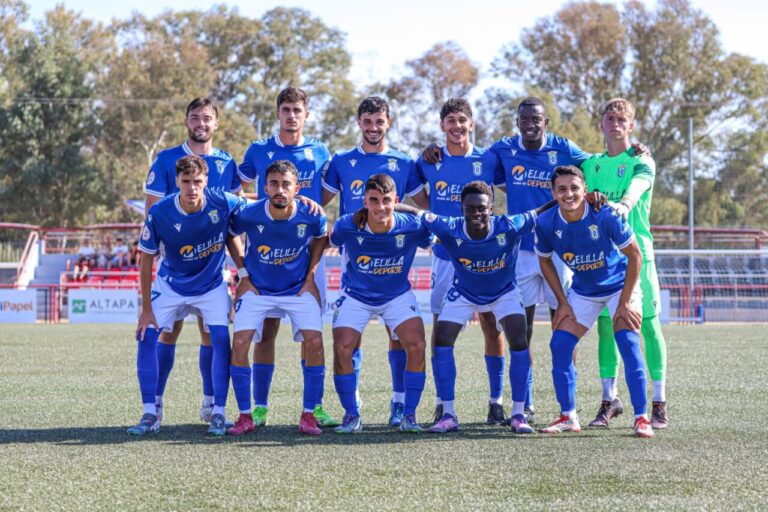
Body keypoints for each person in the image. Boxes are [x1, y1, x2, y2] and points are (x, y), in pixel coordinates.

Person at [393, 181, 556, 434]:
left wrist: (571, 198)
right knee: (442, 339)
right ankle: (447, 413)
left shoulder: (509, 226)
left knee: (519, 339)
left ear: (491, 208)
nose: (476, 213)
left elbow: (540, 211)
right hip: (464, 293)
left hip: (504, 293)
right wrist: (391, 204)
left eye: (481, 208)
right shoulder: (449, 227)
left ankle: (518, 414)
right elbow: (417, 213)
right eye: (470, 209)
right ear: (462, 209)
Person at [322, 96, 428, 427]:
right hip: (356, 266)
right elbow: (317, 200)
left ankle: (401, 407)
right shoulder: (341, 161)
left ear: (388, 123)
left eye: (379, 122)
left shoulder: (405, 162)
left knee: (406, 339)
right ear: (359, 123)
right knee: (345, 344)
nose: (373, 128)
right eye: (367, 122)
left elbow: (425, 206)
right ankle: (352, 410)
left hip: (395, 281)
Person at [237, 87, 337, 428]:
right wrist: (266, 200)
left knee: (310, 333)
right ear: (277, 113)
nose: (291, 115)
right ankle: (260, 406)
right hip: (266, 248)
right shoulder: (259, 149)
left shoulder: (320, 150)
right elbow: (239, 190)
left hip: (305, 250)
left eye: (297, 110)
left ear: (306, 114)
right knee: (265, 331)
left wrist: (310, 204)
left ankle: (315, 406)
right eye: (286, 110)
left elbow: (326, 196)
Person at [127, 155, 245, 436]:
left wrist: (299, 200)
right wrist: (146, 309)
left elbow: (262, 208)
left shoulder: (222, 201)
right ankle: (150, 411)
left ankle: (217, 411)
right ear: (177, 182)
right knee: (147, 335)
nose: (192, 187)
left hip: (211, 285)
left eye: (198, 181)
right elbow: (145, 259)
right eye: (186, 181)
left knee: (219, 338)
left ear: (206, 182)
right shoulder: (161, 212)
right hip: (170, 285)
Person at [142, 97, 242, 425]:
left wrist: (240, 265)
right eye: (195, 118)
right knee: (166, 334)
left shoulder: (227, 163)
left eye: (207, 118)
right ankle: (153, 408)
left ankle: (211, 403)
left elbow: (233, 216)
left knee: (210, 334)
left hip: (212, 268)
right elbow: (153, 212)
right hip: (175, 267)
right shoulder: (167, 159)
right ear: (186, 122)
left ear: (216, 123)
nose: (201, 123)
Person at [534, 165, 653, 438]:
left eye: (574, 188)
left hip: (618, 287)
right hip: (583, 291)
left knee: (627, 340)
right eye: (561, 189)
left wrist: (624, 303)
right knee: (560, 344)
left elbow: (635, 256)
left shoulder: (605, 215)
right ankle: (568, 416)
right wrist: (562, 302)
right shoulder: (546, 223)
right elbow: (544, 260)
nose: (569, 194)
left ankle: (641, 417)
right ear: (553, 192)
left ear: (585, 190)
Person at [414, 98, 511, 425]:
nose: (456, 127)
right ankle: (443, 403)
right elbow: (420, 199)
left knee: (491, 324)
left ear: (472, 124)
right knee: (441, 330)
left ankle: (496, 401)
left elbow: (510, 185)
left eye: (462, 121)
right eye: (450, 121)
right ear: (442, 126)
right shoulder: (429, 161)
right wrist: (437, 230)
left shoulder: (489, 158)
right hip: (444, 257)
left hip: (483, 256)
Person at [581, 98, 668, 429]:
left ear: (630, 126)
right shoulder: (590, 165)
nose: (615, 123)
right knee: (607, 326)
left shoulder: (641, 159)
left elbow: (639, 185)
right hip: (604, 257)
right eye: (610, 118)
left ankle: (658, 401)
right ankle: (609, 400)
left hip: (636, 251)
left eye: (622, 119)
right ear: (602, 124)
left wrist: (624, 204)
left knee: (646, 323)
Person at [226, 160, 329, 436]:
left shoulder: (311, 214)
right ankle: (246, 415)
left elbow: (322, 237)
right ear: (265, 187)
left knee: (316, 341)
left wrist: (311, 277)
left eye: (286, 184)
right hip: (258, 290)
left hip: (297, 289)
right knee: (240, 342)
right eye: (274, 184)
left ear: (297, 187)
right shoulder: (250, 213)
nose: (280, 189)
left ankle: (309, 414)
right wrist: (244, 274)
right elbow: (229, 233)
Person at [329, 173, 434, 434]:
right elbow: (328, 241)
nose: (380, 207)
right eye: (374, 200)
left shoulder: (412, 225)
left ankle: (409, 415)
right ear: (365, 201)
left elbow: (433, 241)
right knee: (342, 347)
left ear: (396, 200)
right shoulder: (346, 225)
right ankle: (351, 415)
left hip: (396, 296)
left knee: (417, 344)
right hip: (356, 296)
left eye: (386, 200)